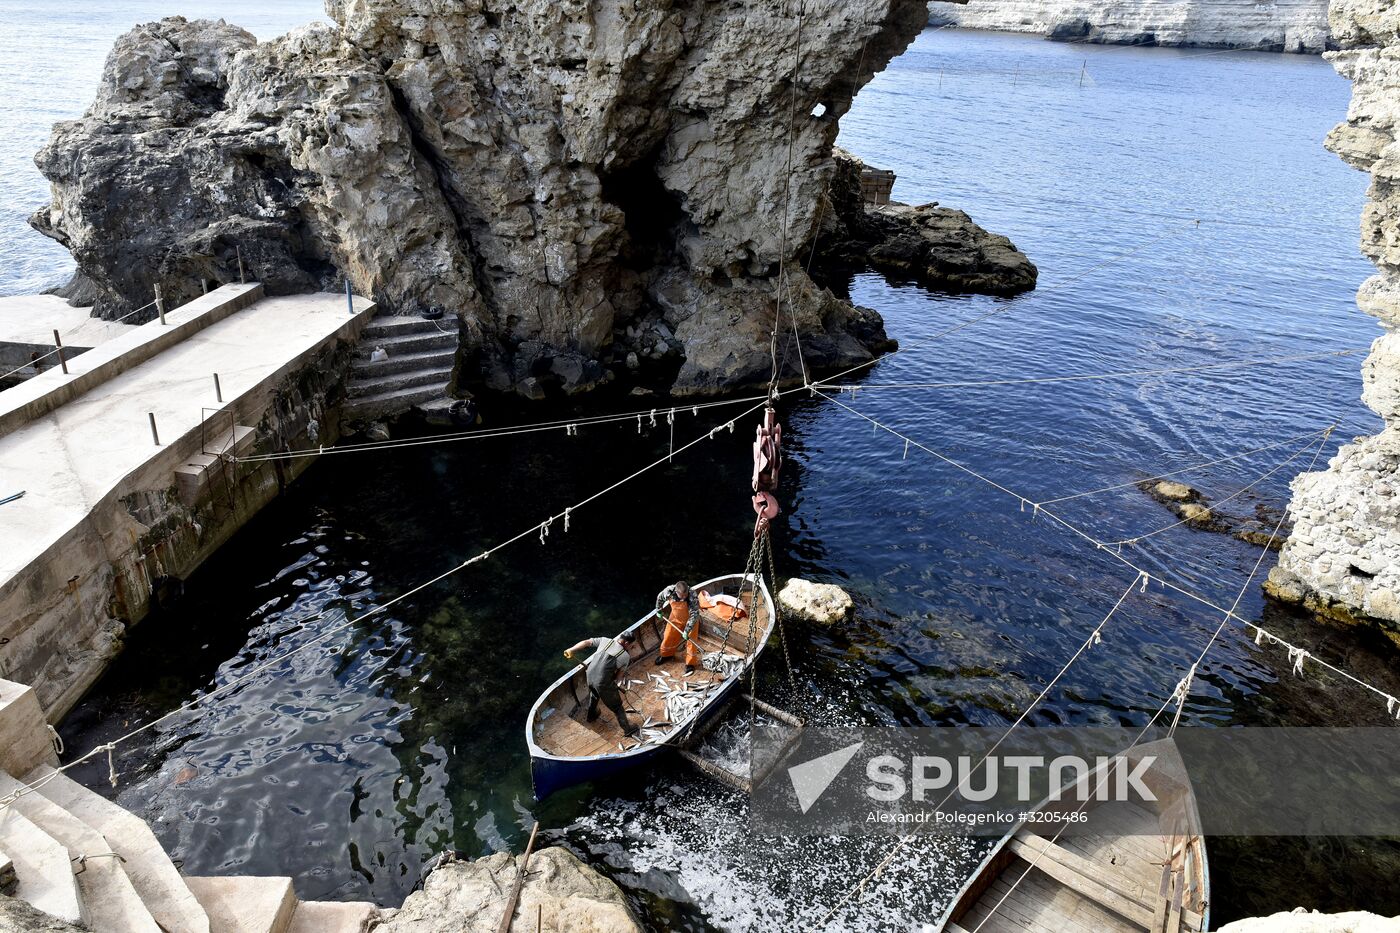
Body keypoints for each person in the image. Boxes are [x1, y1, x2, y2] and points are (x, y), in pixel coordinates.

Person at [563, 632, 637, 734]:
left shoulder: (605, 640)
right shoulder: (625, 656)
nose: (630, 647)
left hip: (589, 676)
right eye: (630, 645)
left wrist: (571, 650)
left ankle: (591, 715)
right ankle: (628, 730)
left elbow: (585, 642)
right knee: (617, 706)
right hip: (602, 682)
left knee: (594, 695)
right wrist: (615, 684)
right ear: (626, 642)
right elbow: (618, 677)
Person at [655, 579, 701, 674]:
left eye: (685, 595)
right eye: (682, 596)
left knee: (691, 642)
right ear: (676, 592)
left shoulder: (693, 595)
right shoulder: (668, 591)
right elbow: (659, 598)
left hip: (691, 621)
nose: (684, 598)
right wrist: (658, 610)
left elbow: (694, 614)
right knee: (668, 636)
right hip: (675, 618)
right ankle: (666, 655)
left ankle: (690, 664)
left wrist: (687, 630)